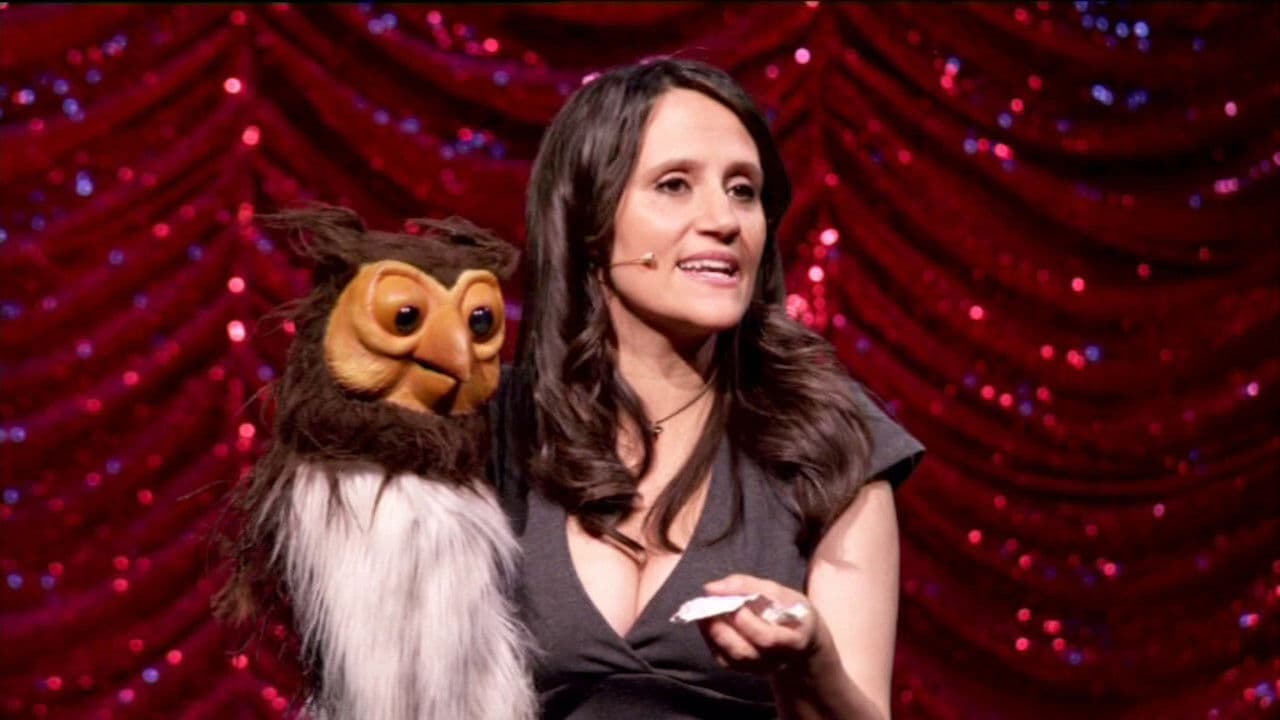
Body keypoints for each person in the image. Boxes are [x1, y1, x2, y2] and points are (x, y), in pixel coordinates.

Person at [489, 57, 925, 719]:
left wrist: (811, 667)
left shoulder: (830, 440)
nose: (725, 219)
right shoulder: (491, 427)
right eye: (674, 185)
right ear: (589, 221)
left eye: (743, 190)